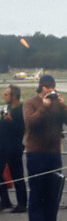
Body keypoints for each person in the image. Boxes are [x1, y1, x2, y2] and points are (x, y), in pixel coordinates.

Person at [22, 74, 67, 221]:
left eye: (52, 86)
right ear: (40, 87)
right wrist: (44, 106)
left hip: (54, 153)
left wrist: (63, 105)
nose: (50, 90)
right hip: (36, 153)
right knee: (37, 190)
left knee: (53, 190)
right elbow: (30, 123)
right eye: (47, 87)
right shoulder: (31, 103)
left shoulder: (57, 105)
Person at [0, 85, 25, 213]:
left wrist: (11, 121)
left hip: (14, 147)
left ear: (13, 96)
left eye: (6, 95)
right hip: (3, 146)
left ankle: (22, 203)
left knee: (17, 175)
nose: (4, 97)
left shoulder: (21, 110)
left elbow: (22, 129)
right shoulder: (7, 109)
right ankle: (4, 200)